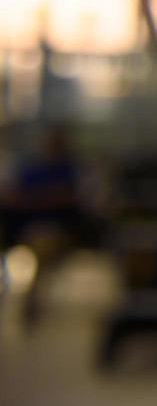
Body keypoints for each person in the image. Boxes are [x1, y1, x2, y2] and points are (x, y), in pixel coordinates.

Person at [0, 127, 85, 328]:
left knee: (42, 244)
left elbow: (64, 197)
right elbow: (13, 195)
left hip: (52, 230)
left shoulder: (68, 170)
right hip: (19, 227)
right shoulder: (30, 168)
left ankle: (32, 303)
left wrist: (32, 200)